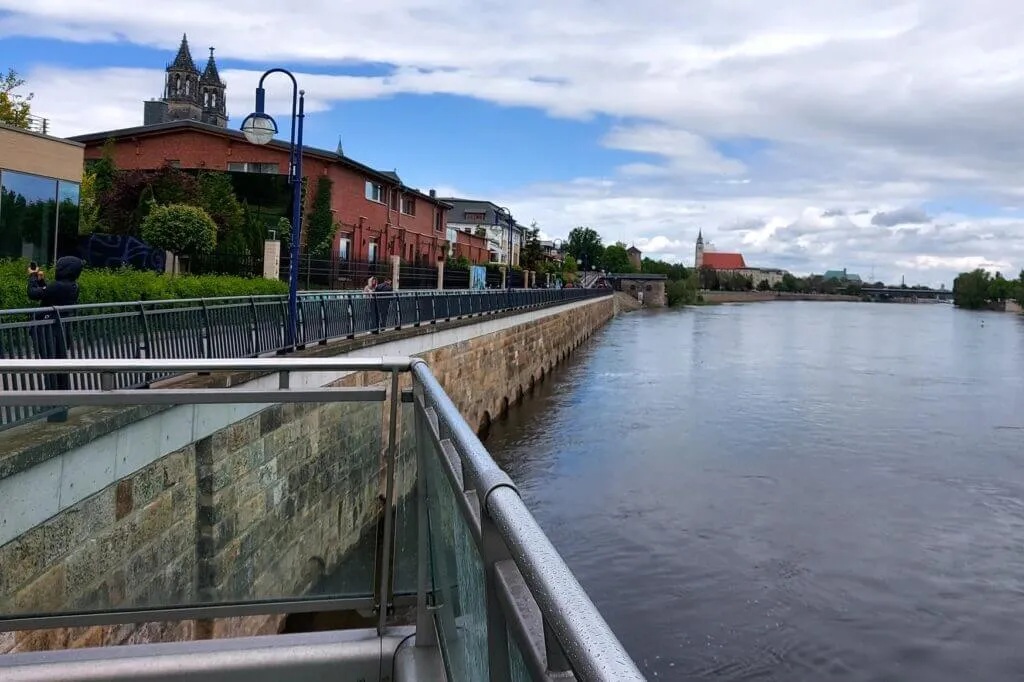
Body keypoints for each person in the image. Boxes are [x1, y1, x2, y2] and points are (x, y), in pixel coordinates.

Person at [27, 256, 83, 421]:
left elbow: (33, 294)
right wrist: (42, 282)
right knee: (59, 367)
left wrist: (32, 277)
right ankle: (60, 407)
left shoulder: (58, 286)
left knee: (50, 368)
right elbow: (47, 295)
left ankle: (52, 407)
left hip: (47, 331)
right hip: (61, 331)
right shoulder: (72, 286)